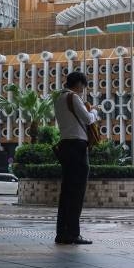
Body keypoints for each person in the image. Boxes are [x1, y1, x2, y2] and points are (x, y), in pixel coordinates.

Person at [53, 71, 97, 245]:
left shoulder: (58, 98)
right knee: (77, 192)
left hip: (65, 145)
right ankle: (73, 233)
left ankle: (61, 233)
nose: (83, 90)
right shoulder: (73, 97)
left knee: (66, 192)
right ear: (79, 84)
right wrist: (94, 111)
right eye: (83, 87)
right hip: (77, 146)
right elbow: (88, 119)